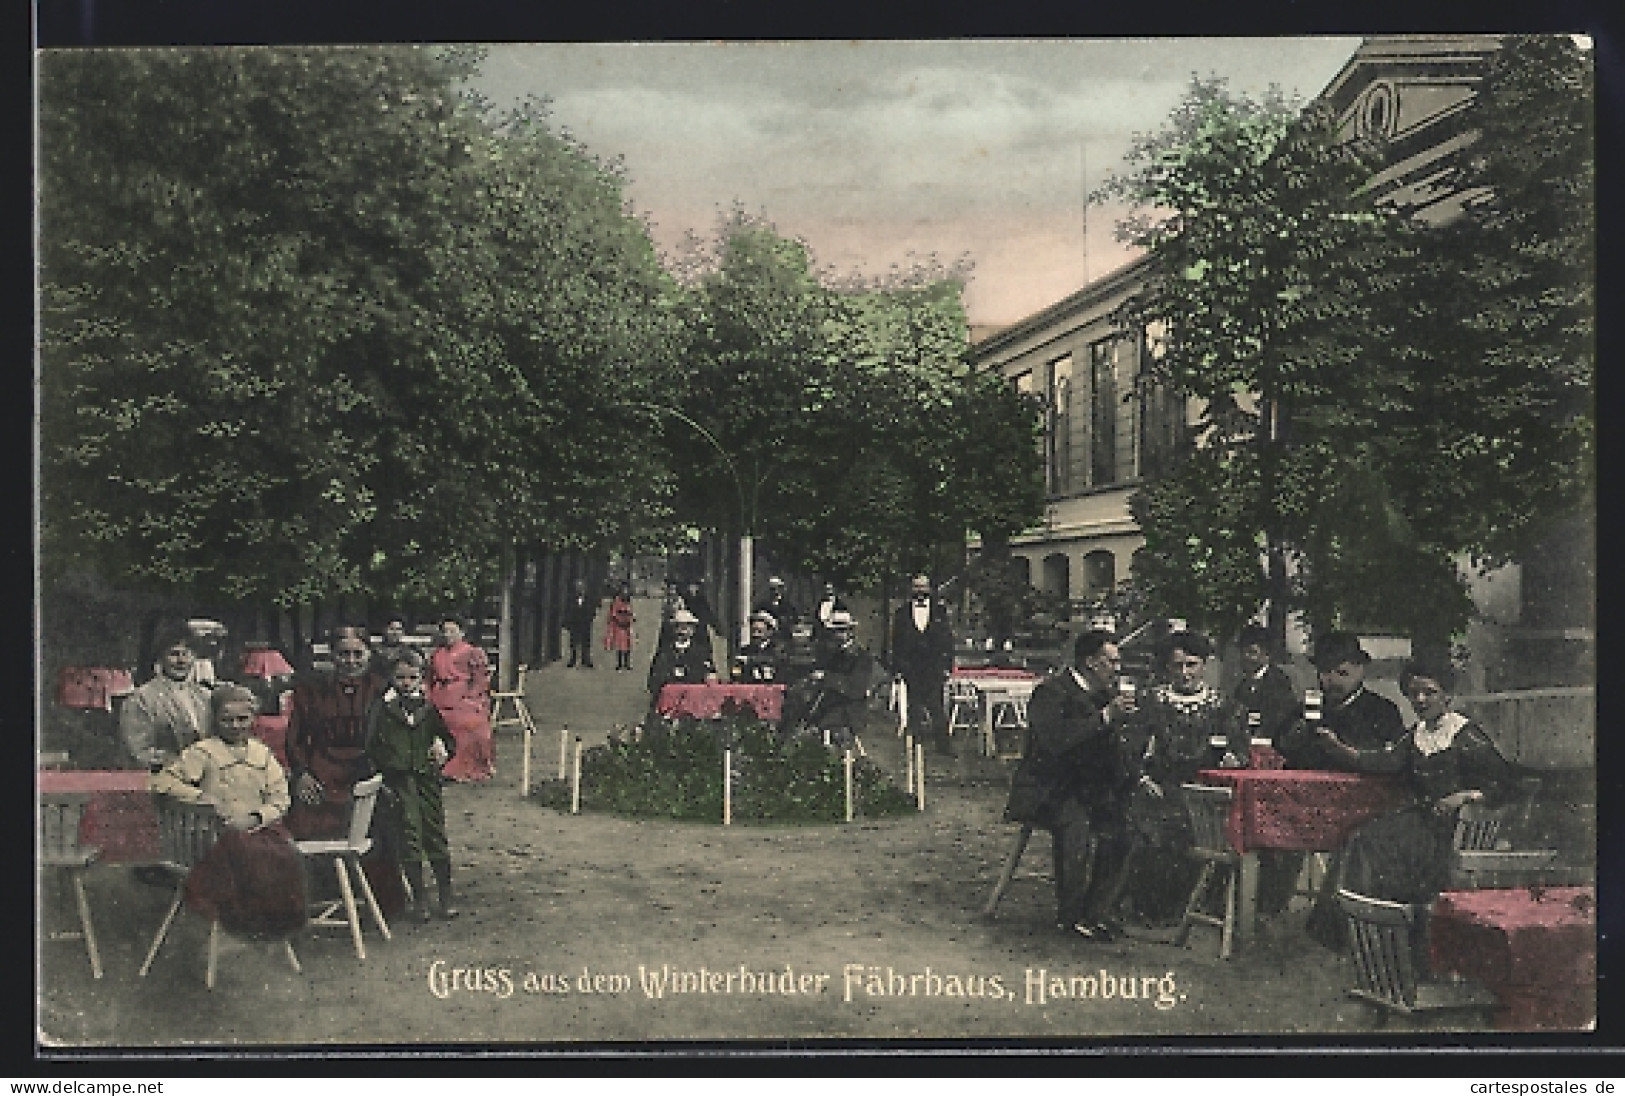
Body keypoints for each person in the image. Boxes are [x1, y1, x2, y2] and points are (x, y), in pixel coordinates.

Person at [1318, 658, 1520, 963]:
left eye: (1430, 692)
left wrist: (1464, 796)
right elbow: (1384, 762)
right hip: (1422, 822)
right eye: (1414, 694)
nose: (1420, 700)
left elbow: (1506, 783)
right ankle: (1360, 938)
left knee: (1373, 845)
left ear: (1447, 696)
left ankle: (1380, 938)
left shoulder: (1465, 735)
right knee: (1359, 837)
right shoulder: (1417, 735)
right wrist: (1340, 749)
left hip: (1452, 831)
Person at [1002, 629, 1137, 941]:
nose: (1117, 668)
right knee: (1077, 822)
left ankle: (1096, 912)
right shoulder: (1050, 692)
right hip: (1046, 787)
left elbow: (1111, 749)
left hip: (1086, 787)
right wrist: (1105, 718)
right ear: (1090, 662)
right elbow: (1056, 743)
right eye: (1112, 662)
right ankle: (1071, 915)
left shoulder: (1105, 694)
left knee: (1124, 827)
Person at [1280, 630, 1409, 948]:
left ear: (1361, 671)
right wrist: (1295, 736)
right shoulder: (1308, 707)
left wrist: (1342, 749)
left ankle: (1334, 927)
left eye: (1342, 673)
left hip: (1358, 808)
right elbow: (1281, 745)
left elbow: (1389, 761)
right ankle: (1269, 912)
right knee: (1274, 834)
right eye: (1325, 672)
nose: (1332, 681)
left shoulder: (1383, 711)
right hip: (1307, 807)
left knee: (1358, 844)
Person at [150, 684, 306, 937]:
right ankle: (241, 923)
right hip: (212, 836)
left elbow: (280, 798)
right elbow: (163, 782)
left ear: (253, 719)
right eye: (227, 720)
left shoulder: (262, 754)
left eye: (242, 719)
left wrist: (257, 817)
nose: (235, 726)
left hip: (256, 829)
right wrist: (201, 797)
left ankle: (271, 924)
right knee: (249, 854)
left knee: (283, 856)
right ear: (215, 720)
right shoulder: (203, 752)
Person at [1111, 630, 1233, 926]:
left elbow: (1238, 745)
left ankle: (1206, 903)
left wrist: (1234, 758)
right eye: (1177, 666)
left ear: (1204, 665)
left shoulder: (1222, 704)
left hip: (1207, 788)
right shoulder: (1152, 701)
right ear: (1166, 668)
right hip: (1163, 786)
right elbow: (1129, 747)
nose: (1184, 673)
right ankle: (1158, 908)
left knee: (1216, 829)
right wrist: (1141, 779)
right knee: (1161, 828)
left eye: (1191, 665)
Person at [365, 650, 461, 922]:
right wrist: (381, 776)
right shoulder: (381, 708)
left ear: (422, 679)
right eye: (400, 677)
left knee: (435, 833)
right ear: (391, 678)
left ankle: (445, 895)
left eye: (412, 677)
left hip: (426, 779)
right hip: (398, 781)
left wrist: (442, 750)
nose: (406, 683)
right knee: (410, 836)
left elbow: (447, 740)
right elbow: (370, 746)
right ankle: (418, 897)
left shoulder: (428, 709)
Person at [1231, 622, 1307, 918]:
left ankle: (1268, 900)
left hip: (1275, 759)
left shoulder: (1277, 683)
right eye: (1244, 653)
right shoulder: (1242, 685)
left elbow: (1279, 725)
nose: (1247, 658)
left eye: (1253, 653)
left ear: (1266, 655)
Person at [119, 621, 212, 770]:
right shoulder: (141, 699)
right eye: (174, 654)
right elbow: (138, 751)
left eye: (186, 654)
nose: (181, 661)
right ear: (161, 658)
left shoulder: (205, 696)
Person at [782, 610, 872, 750]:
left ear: (850, 632)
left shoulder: (861, 657)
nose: (837, 635)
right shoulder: (831, 654)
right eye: (834, 631)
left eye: (841, 631)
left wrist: (826, 677)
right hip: (828, 706)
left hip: (849, 709)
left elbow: (856, 689)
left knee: (817, 730)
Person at [889, 574, 956, 757]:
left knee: (937, 708)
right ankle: (915, 745)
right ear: (911, 589)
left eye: (923, 587)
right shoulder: (902, 613)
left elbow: (947, 641)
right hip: (911, 668)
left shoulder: (939, 612)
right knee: (914, 708)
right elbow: (896, 642)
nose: (920, 590)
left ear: (929, 589)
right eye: (917, 586)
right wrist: (897, 669)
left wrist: (947, 666)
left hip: (933, 668)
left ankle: (944, 748)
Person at [429, 617, 494, 782]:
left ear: (462, 633)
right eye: (445, 631)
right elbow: (429, 678)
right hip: (440, 696)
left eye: (453, 631)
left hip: (463, 696)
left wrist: (471, 697)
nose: (448, 635)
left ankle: (465, 767)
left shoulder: (471, 652)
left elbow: (480, 679)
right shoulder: (438, 653)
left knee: (469, 723)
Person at [646, 609, 717, 698]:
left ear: (693, 630)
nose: (683, 630)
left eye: (687, 626)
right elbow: (654, 680)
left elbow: (709, 675)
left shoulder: (701, 653)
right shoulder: (665, 652)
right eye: (679, 626)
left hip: (694, 699)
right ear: (674, 629)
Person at [731, 610, 782, 683]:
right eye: (753, 631)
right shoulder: (744, 651)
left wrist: (750, 660)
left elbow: (775, 661)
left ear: (770, 632)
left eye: (759, 631)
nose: (755, 635)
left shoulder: (777, 649)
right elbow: (736, 672)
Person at [565, 579, 598, 669]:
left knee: (586, 641)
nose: (580, 589)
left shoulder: (588, 598)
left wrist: (590, 618)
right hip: (575, 623)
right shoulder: (571, 598)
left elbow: (592, 609)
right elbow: (568, 609)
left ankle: (585, 659)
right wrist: (569, 621)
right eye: (578, 587)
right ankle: (573, 658)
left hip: (585, 623)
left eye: (581, 587)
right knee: (573, 641)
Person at [604, 583, 636, 672]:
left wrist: (631, 618)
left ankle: (627, 663)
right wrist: (618, 620)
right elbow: (613, 613)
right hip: (619, 625)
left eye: (626, 590)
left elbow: (631, 612)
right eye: (623, 590)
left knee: (627, 645)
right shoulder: (617, 601)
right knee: (620, 644)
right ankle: (619, 663)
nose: (625, 592)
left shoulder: (629, 601)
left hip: (627, 625)